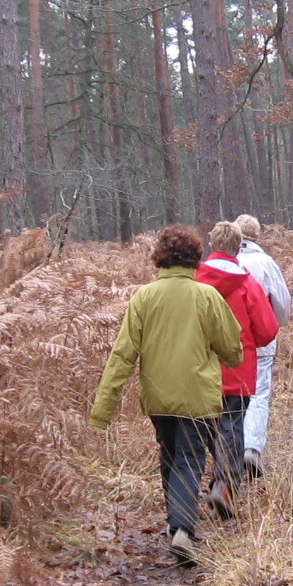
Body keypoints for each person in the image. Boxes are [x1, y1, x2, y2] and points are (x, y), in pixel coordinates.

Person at [90, 225, 243, 565]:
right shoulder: (207, 297)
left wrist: (103, 409)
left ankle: (176, 525)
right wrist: (227, 355)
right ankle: (184, 531)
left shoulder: (144, 297)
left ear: (159, 258)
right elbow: (233, 349)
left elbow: (122, 355)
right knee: (189, 459)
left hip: (158, 397)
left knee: (171, 457)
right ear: (195, 259)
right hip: (198, 398)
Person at [196, 221, 278, 516]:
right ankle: (224, 484)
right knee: (232, 425)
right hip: (238, 369)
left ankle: (215, 479)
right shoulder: (247, 284)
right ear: (239, 246)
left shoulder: (196, 280)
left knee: (207, 425)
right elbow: (268, 331)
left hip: (200, 369)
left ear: (212, 245)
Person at [233, 214, 291, 479]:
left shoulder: (226, 262)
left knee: (232, 395)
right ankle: (252, 447)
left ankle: (230, 451)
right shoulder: (265, 263)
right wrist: (274, 325)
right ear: (257, 234)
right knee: (259, 392)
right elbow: (282, 302)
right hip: (262, 339)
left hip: (229, 340)